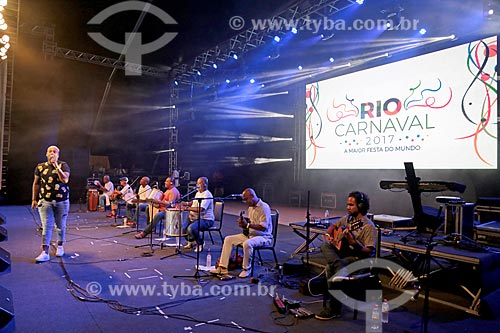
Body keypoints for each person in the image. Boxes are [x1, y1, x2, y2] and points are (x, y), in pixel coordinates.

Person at [315, 191, 377, 320]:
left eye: (351, 205)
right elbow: (333, 226)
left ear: (360, 206)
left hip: (358, 258)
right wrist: (328, 235)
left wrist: (355, 243)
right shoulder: (348, 219)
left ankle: (334, 308)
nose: (348, 207)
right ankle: (338, 265)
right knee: (324, 246)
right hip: (343, 255)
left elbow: (369, 251)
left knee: (331, 268)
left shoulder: (368, 226)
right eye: (347, 204)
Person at [210, 188, 272, 278]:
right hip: (251, 235)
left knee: (247, 243)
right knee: (228, 239)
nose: (245, 202)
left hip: (263, 237)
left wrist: (247, 225)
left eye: (246, 199)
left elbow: (263, 227)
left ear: (252, 196)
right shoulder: (251, 208)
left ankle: (247, 269)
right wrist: (243, 224)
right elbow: (250, 225)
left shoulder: (264, 207)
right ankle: (222, 268)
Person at [31, 145, 70, 262]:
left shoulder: (64, 165)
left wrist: (56, 166)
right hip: (45, 201)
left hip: (62, 201)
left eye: (55, 152)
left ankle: (60, 246)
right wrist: (34, 199)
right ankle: (45, 252)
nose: (52, 153)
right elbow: (36, 183)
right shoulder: (40, 167)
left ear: (58, 155)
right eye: (50, 151)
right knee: (46, 226)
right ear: (46, 154)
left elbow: (65, 180)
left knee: (60, 226)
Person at [181, 177, 214, 253]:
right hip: (195, 217)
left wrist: (187, 208)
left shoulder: (207, 195)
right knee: (183, 229)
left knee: (191, 228)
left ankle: (200, 243)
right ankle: (191, 241)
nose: (196, 185)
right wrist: (186, 203)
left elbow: (201, 209)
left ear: (204, 185)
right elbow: (193, 202)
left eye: (199, 183)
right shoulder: (198, 193)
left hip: (206, 220)